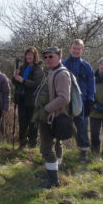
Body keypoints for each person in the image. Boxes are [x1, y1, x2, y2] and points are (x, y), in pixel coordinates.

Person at [38, 47, 71, 189]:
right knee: (56, 145)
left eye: (51, 56)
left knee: (46, 147)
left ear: (59, 56)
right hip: (53, 115)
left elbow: (64, 98)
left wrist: (46, 109)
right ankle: (53, 172)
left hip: (54, 116)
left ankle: (53, 181)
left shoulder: (62, 74)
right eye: (45, 57)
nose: (47, 60)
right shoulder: (53, 71)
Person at [62, 39, 95, 163]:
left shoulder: (87, 66)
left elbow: (92, 85)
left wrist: (90, 101)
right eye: (74, 48)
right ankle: (58, 152)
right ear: (70, 49)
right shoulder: (63, 64)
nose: (76, 51)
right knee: (61, 124)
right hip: (65, 100)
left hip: (82, 101)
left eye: (78, 49)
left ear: (82, 50)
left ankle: (84, 152)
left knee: (82, 127)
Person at [12, 46, 44, 149]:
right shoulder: (22, 67)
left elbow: (36, 84)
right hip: (22, 99)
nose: (28, 56)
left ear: (35, 56)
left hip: (33, 100)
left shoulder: (38, 69)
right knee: (22, 122)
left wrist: (23, 81)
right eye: (27, 54)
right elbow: (15, 83)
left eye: (31, 54)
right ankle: (22, 144)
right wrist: (15, 76)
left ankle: (32, 144)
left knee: (33, 123)